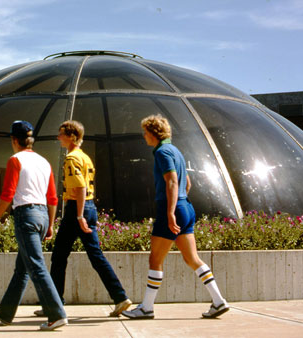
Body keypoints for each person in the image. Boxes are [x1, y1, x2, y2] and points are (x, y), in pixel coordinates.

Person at [122, 114, 229, 320]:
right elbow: (186, 182)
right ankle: (218, 301)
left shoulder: (162, 152)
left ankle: (146, 308)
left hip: (171, 209)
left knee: (155, 258)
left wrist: (170, 212)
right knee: (192, 259)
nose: (144, 136)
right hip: (186, 207)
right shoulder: (175, 151)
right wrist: (180, 203)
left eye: (145, 132)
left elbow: (171, 181)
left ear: (154, 133)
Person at [35, 120, 132, 317]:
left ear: (72, 136)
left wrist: (78, 215)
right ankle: (120, 296)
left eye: (61, 134)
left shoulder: (71, 158)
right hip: (89, 207)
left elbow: (80, 188)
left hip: (76, 209)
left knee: (59, 257)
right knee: (95, 256)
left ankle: (54, 304)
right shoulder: (85, 157)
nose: (58, 137)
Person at [0, 120, 68, 331]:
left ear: (15, 140)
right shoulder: (44, 162)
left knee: (36, 266)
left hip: (26, 216)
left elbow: (8, 194)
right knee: (22, 268)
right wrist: (50, 224)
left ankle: (56, 314)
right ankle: (5, 313)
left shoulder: (15, 160)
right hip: (42, 216)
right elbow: (53, 198)